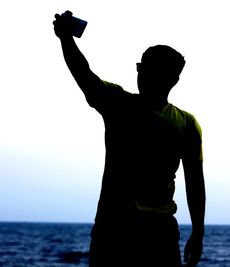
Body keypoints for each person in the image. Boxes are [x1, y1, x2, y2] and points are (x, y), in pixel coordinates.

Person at [53, 11, 205, 267]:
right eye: (141, 68)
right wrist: (65, 39)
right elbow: (83, 73)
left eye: (148, 70)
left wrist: (198, 234)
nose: (142, 74)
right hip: (119, 230)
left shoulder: (182, 123)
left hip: (147, 233)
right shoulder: (119, 104)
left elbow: (195, 183)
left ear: (173, 80)